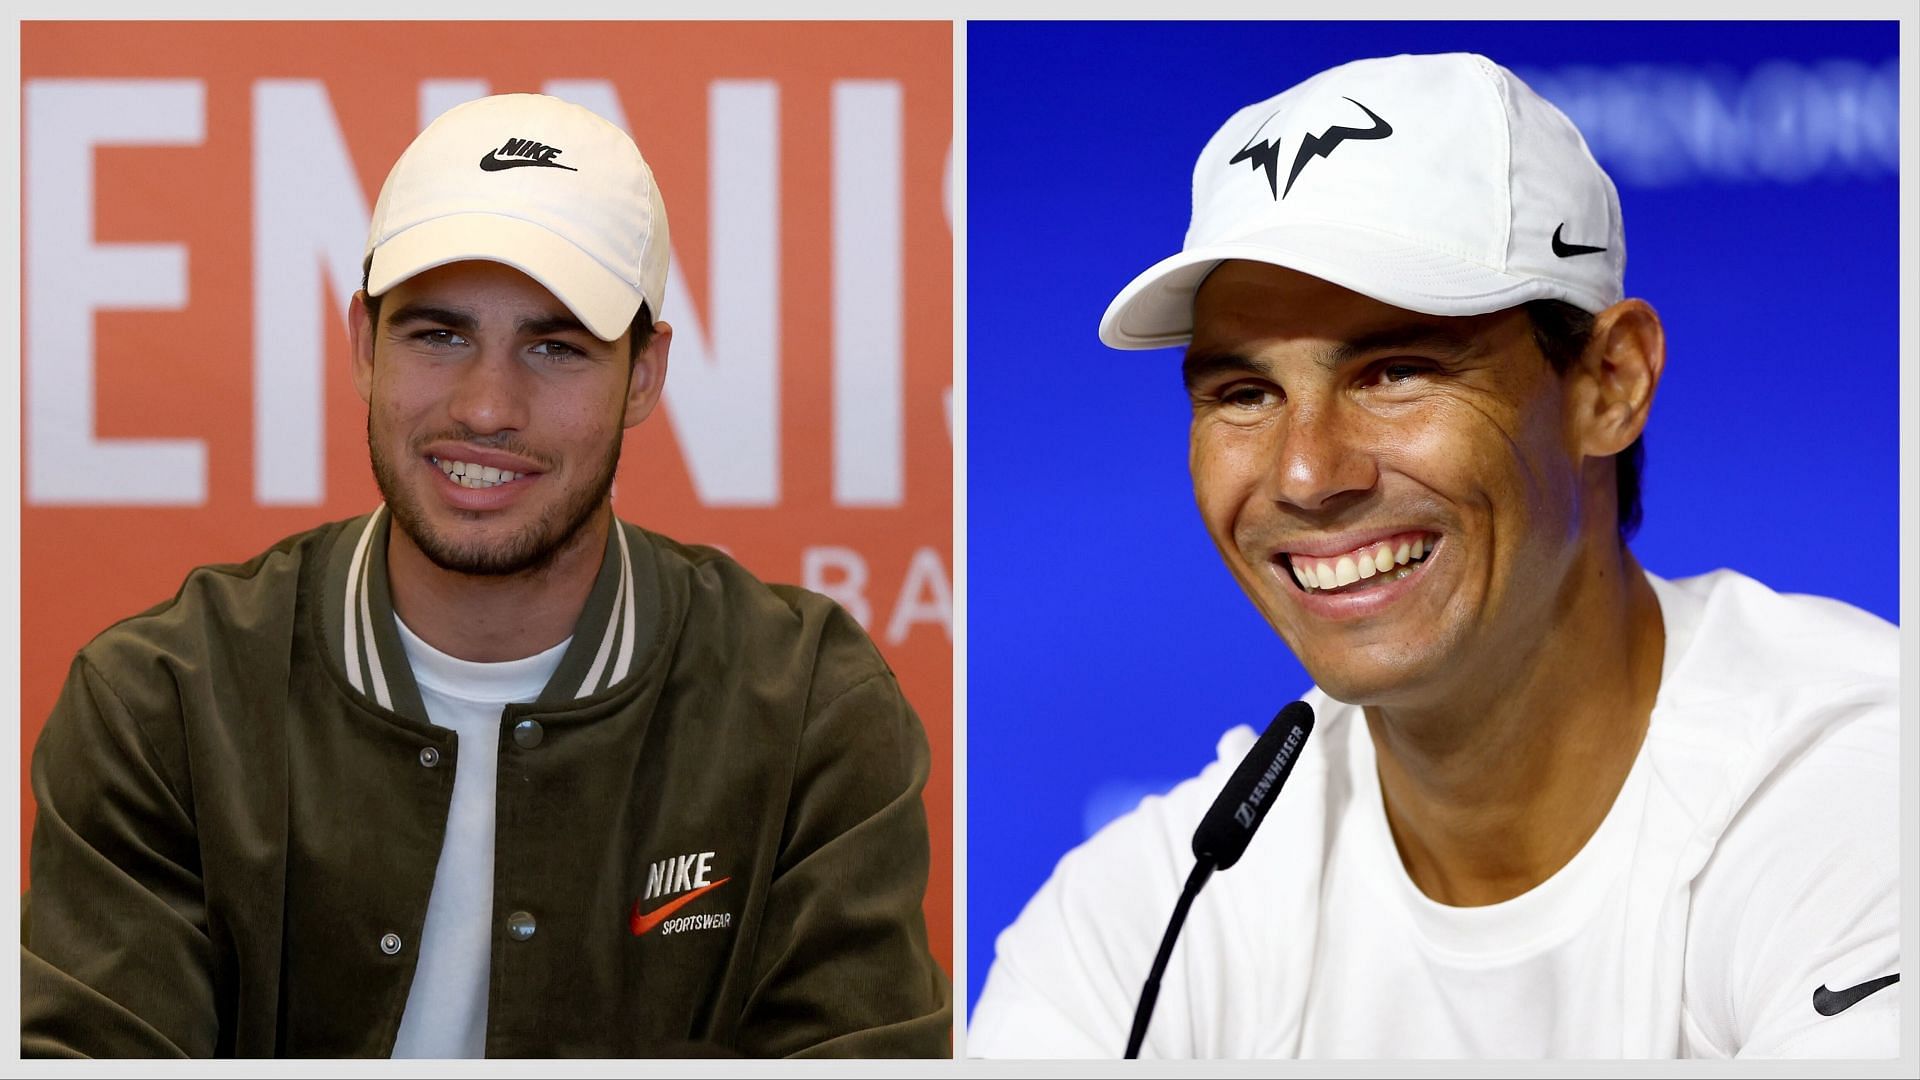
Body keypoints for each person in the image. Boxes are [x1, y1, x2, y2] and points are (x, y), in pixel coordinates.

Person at [969, 53, 1898, 1059]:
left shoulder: (1865, 788)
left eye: (1396, 371)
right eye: (1243, 394)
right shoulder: (1147, 919)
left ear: (1610, 383)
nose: (1308, 473)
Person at [23, 92, 950, 1059]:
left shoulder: (807, 708)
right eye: (438, 334)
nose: (486, 407)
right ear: (361, 347)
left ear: (644, 374)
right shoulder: (165, 701)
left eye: (555, 347)